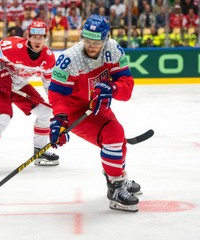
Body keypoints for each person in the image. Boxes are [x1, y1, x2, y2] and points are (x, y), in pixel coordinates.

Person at [47, 14, 142, 212]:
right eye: (87, 40)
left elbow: (127, 85)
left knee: (117, 139)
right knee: (114, 135)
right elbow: (57, 94)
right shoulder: (69, 59)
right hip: (75, 111)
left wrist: (113, 89)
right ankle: (115, 188)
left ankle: (118, 177)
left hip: (96, 104)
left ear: (105, 39)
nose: (90, 46)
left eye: (96, 42)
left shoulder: (114, 50)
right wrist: (59, 119)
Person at [0, 20, 59, 176]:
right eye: (34, 37)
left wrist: (58, 105)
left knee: (46, 112)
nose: (37, 41)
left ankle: (40, 151)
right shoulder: (12, 46)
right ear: (28, 36)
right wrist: (0, 74)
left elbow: (48, 85)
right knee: (2, 119)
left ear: (46, 38)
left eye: (41, 37)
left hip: (18, 86)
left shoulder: (48, 58)